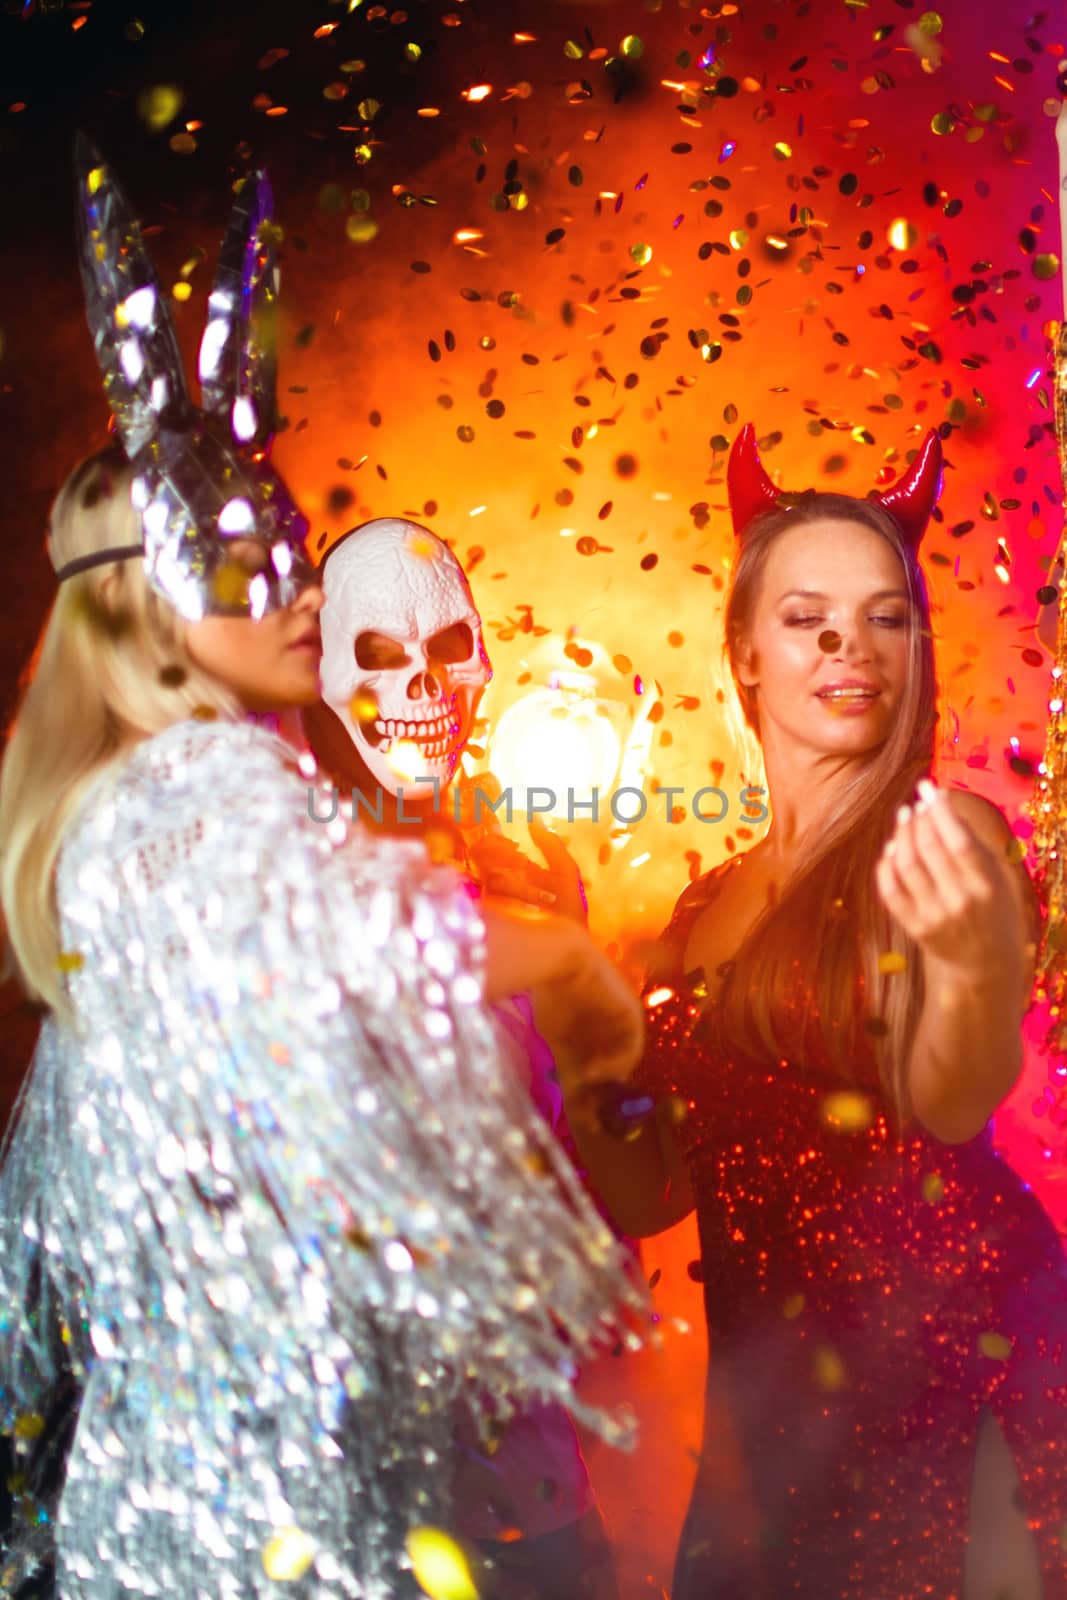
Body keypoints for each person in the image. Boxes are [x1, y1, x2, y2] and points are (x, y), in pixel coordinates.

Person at [0, 143, 646, 1600]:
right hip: (253, 1554)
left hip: (234, 1528)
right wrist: (566, 965)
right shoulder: (187, 805)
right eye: (240, 554)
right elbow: (322, 938)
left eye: (292, 542)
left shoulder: (135, 815)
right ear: (138, 602)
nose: (297, 582)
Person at [571, 424, 1067, 1599]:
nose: (851, 645)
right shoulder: (699, 909)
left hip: (956, 1374)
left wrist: (979, 969)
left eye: (884, 615)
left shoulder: (948, 842)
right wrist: (584, 1018)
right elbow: (655, 1192)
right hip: (772, 1419)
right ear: (742, 651)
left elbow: (948, 1097)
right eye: (807, 618)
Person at [302, 519, 620, 1600]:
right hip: (358, 1520)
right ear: (320, 672)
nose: (427, 685)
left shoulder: (517, 895)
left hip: (538, 1517)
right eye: (382, 655)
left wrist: (581, 986)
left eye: (449, 646)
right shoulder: (276, 900)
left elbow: (594, 1225)